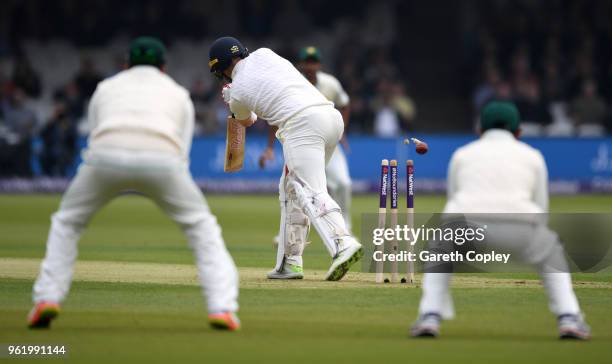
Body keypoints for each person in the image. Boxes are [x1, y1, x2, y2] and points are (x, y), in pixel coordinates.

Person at [28, 37, 240, 331]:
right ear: (164, 67)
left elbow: (93, 131)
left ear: (126, 64)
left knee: (67, 222)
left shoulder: (106, 87)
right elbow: (183, 147)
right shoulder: (177, 93)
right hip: (163, 157)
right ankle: (222, 308)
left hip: (105, 156)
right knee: (201, 227)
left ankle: (46, 299)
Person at [411, 101, 591, 340]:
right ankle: (569, 317)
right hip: (521, 224)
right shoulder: (532, 155)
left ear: (480, 130)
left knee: (439, 246)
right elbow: (541, 209)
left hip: (465, 223)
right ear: (518, 132)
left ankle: (430, 315)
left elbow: (453, 200)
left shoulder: (462, 154)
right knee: (551, 251)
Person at [208, 36, 363, 281]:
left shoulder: (236, 91)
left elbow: (246, 121)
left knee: (309, 189)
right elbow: (276, 86)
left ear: (221, 69)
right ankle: (290, 262)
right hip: (330, 117)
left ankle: (343, 243)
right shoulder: (265, 53)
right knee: (290, 189)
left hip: (302, 125)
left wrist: (231, 100)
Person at [259, 46, 354, 279]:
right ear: (301, 65)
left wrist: (342, 132)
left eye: (314, 62)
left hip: (327, 137)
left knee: (338, 184)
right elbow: (275, 117)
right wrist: (270, 147)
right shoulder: (292, 83)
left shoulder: (329, 83)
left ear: (319, 65)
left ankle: (343, 235)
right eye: (306, 62)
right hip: (303, 140)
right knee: (300, 191)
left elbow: (344, 104)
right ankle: (293, 251)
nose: (310, 66)